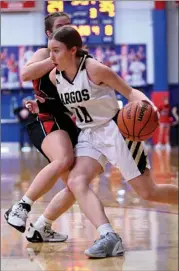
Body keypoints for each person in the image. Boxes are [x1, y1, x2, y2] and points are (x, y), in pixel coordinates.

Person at [47, 26, 178, 258]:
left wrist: (149, 107)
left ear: (73, 50)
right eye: (50, 51)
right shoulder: (54, 77)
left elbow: (130, 92)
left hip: (116, 130)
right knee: (77, 181)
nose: (52, 57)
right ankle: (108, 236)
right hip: (89, 133)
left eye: (56, 51)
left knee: (148, 192)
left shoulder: (95, 70)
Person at [4, 12, 81, 243]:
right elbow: (26, 74)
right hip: (47, 120)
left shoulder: (78, 57)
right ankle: (20, 207)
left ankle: (42, 226)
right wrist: (56, 57)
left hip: (68, 121)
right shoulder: (44, 53)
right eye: (60, 26)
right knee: (64, 159)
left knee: (77, 185)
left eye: (69, 25)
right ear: (49, 34)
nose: (66, 28)